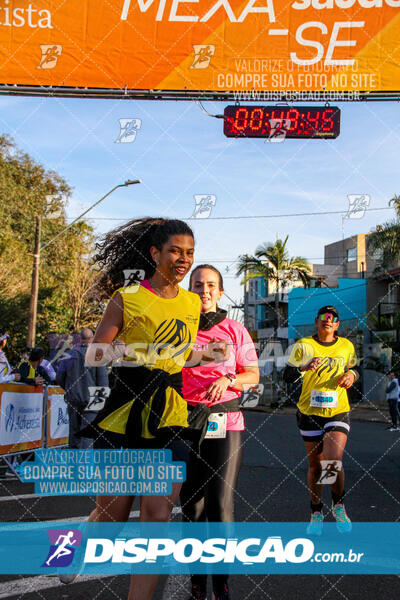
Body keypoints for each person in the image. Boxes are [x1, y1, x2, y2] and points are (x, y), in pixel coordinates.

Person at [61, 218, 227, 599]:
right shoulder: (128, 296)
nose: (183, 259)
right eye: (175, 251)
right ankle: (80, 545)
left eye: (189, 252)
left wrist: (205, 355)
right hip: (126, 413)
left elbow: (179, 355)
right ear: (155, 253)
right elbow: (95, 353)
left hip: (170, 416)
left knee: (157, 518)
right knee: (112, 517)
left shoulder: (190, 303)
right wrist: (139, 352)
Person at [180, 265, 259, 600]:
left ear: (221, 291)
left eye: (211, 285)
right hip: (183, 421)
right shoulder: (177, 330)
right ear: (189, 289)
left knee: (220, 504)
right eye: (198, 285)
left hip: (225, 421)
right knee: (192, 508)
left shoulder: (235, 330)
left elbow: (252, 374)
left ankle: (221, 586)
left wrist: (228, 379)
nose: (204, 290)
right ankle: (197, 583)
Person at [284, 305, 359, 535]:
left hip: (337, 410)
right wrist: (303, 367)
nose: (328, 320)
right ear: (317, 321)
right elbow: (287, 376)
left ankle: (338, 505)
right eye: (324, 317)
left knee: (332, 460)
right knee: (316, 466)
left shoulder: (346, 346)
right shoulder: (304, 345)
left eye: (333, 318)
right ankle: (316, 511)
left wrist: (351, 375)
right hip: (309, 411)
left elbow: (356, 370)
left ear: (337, 324)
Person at [56, 329, 108, 449]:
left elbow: (59, 377)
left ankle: (74, 464)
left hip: (73, 398)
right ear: (92, 338)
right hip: (92, 400)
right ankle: (85, 464)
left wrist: (70, 389)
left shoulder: (68, 354)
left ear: (80, 338)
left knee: (74, 432)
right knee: (87, 434)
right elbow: (103, 381)